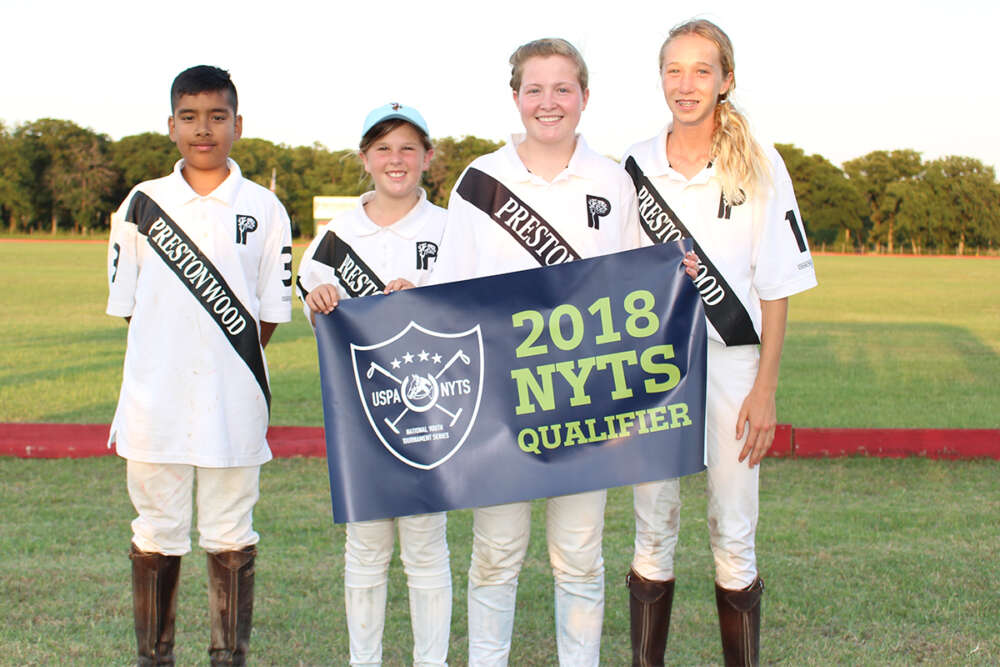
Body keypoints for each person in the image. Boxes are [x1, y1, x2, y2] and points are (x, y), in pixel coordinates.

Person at [430, 38, 640, 666]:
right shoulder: (478, 182)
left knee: (578, 553)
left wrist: (624, 399)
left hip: (588, 395)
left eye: (562, 89)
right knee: (496, 552)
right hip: (499, 402)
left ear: (584, 97)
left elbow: (630, 295)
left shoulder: (612, 179)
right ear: (515, 96)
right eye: (535, 89)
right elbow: (450, 297)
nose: (548, 103)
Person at [621, 19, 818, 666]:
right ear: (660, 79)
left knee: (733, 533)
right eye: (674, 70)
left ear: (726, 79)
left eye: (701, 70)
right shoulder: (634, 167)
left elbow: (776, 285)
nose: (686, 84)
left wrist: (766, 390)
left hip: (735, 368)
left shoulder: (759, 165)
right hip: (652, 370)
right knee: (652, 530)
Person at [106, 65, 293, 665]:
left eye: (216, 117)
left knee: (231, 533)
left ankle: (227, 657)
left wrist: (224, 361)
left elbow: (267, 314)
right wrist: (176, 356)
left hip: (235, 400)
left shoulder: (265, 208)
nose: (203, 129)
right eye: (189, 117)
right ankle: (154, 658)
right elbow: (133, 309)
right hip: (153, 400)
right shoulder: (141, 204)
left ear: (238, 124)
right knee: (155, 530)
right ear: (170, 125)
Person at [296, 103, 451, 666]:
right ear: (364, 159)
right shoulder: (336, 237)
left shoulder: (448, 229)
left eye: (408, 147)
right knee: (364, 547)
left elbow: (469, 315)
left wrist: (425, 299)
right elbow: (314, 299)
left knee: (426, 545)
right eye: (383, 148)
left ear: (428, 157)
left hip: (431, 416)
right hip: (360, 415)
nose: (396, 159)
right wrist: (320, 302)